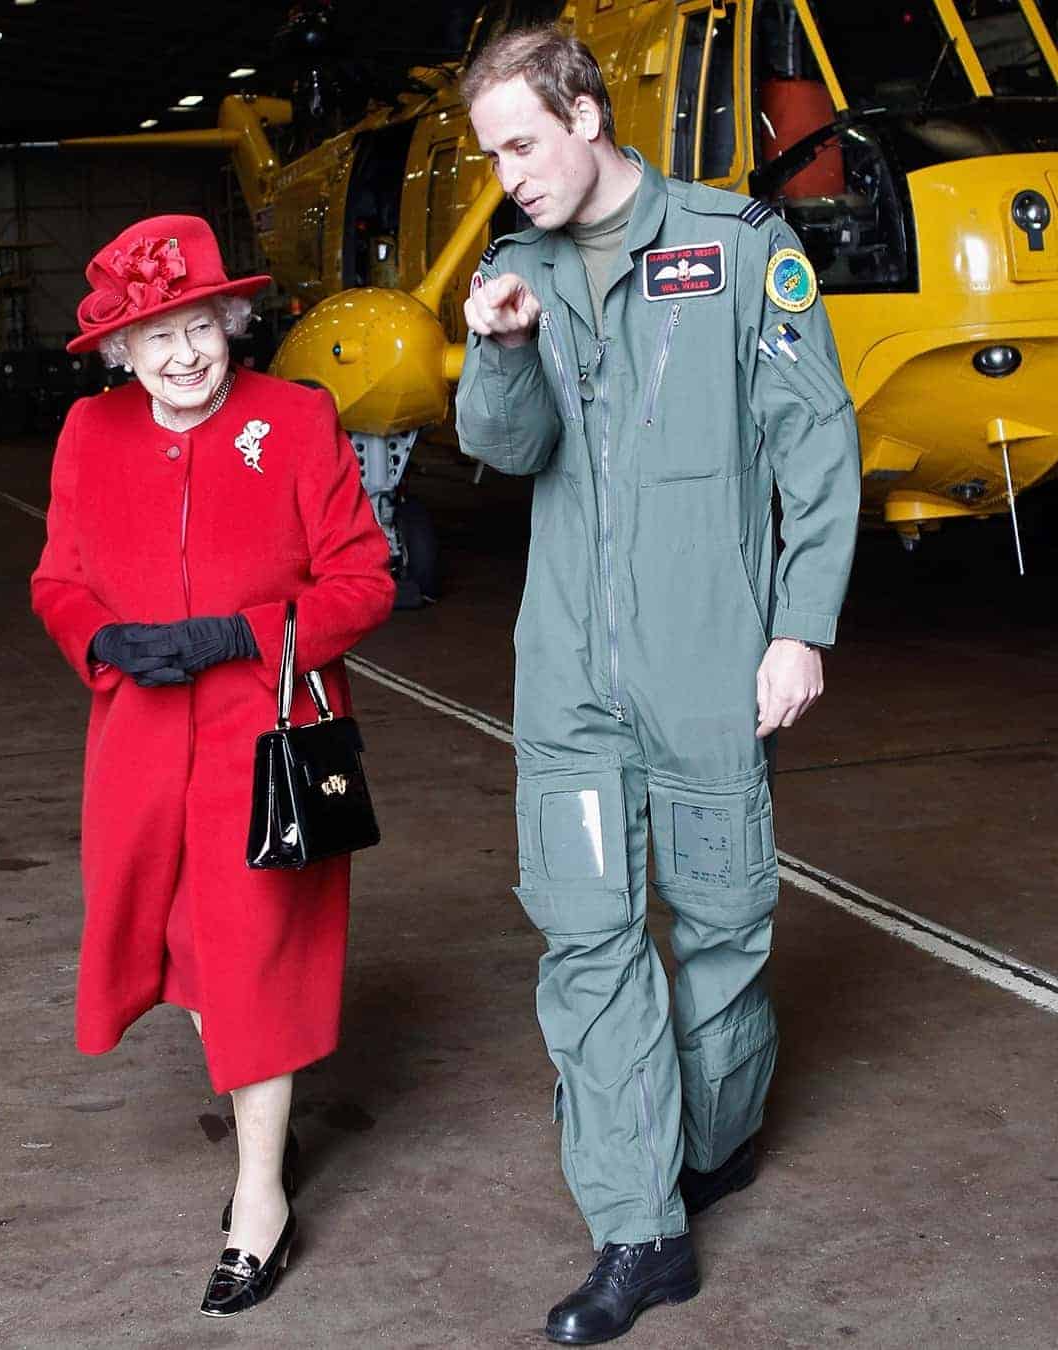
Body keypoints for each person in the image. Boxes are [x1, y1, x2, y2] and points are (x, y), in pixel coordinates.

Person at [456, 28, 860, 1346]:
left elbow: (818, 446)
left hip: (709, 661)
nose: (507, 175)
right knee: (589, 941)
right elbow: (504, 448)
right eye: (492, 154)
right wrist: (497, 350)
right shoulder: (512, 269)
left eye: (522, 142)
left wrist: (798, 627)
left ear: (586, 111)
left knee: (726, 930)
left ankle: (717, 1130)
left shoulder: (739, 248)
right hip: (567, 673)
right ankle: (638, 1229)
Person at [31, 215, 395, 1317]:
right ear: (119, 354)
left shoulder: (295, 420)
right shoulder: (88, 435)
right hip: (137, 746)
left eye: (203, 328)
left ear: (233, 322)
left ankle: (258, 1198)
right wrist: (100, 639)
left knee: (249, 960)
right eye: (157, 338)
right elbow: (57, 577)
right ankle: (255, 1147)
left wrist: (242, 634)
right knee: (182, 951)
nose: (185, 356)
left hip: (266, 744)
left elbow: (363, 580)